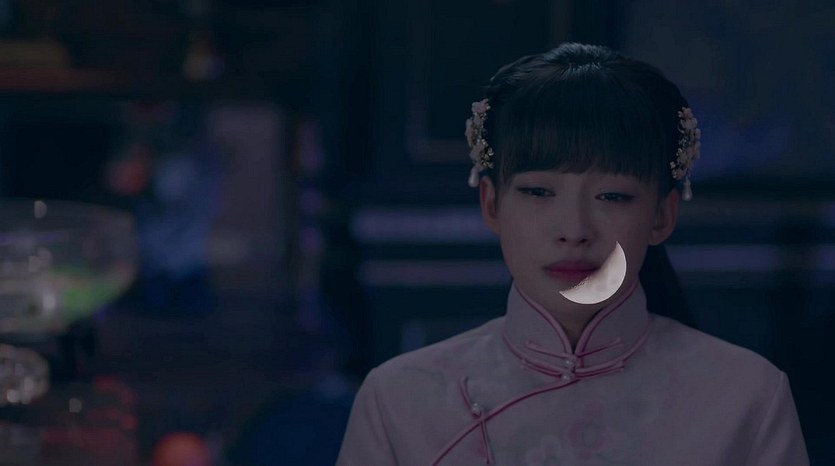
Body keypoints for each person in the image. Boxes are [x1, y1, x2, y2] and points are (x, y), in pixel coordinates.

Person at [337, 43, 808, 465]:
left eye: (612, 196)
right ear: (492, 205)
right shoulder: (399, 400)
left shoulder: (746, 398)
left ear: (662, 216)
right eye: (539, 192)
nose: (575, 231)